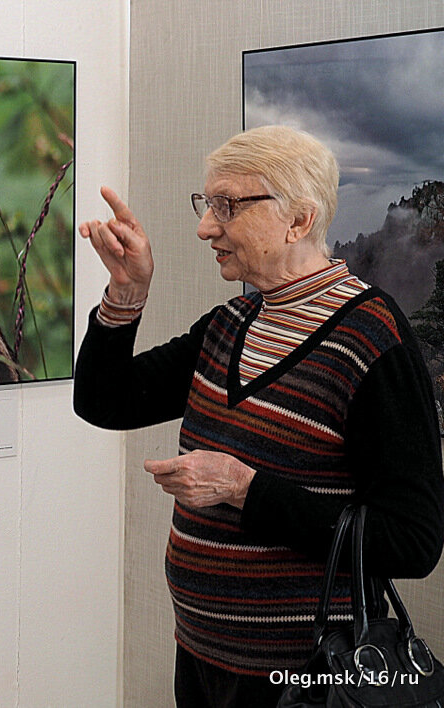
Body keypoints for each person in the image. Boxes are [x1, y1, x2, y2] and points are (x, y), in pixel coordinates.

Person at [73, 125, 444, 707]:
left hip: (306, 679)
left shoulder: (373, 340)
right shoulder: (231, 323)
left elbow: (414, 542)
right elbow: (105, 401)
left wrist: (245, 490)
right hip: (201, 657)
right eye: (206, 204)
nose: (205, 227)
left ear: (298, 220)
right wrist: (125, 293)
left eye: (227, 206)